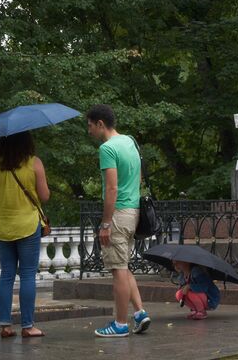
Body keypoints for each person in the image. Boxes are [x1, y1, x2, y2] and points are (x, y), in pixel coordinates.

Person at [86, 104, 151, 338]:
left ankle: (120, 324)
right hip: (133, 211)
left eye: (90, 125)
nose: (89, 130)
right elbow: (139, 176)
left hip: (118, 213)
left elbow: (111, 188)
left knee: (118, 269)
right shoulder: (130, 141)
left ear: (100, 124)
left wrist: (105, 223)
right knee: (124, 266)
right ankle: (140, 313)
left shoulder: (107, 148)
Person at [0, 131, 50, 338]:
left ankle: (5, 325)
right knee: (28, 274)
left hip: (2, 226)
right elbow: (44, 196)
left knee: (7, 274)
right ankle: (28, 326)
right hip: (28, 225)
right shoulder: (34, 163)